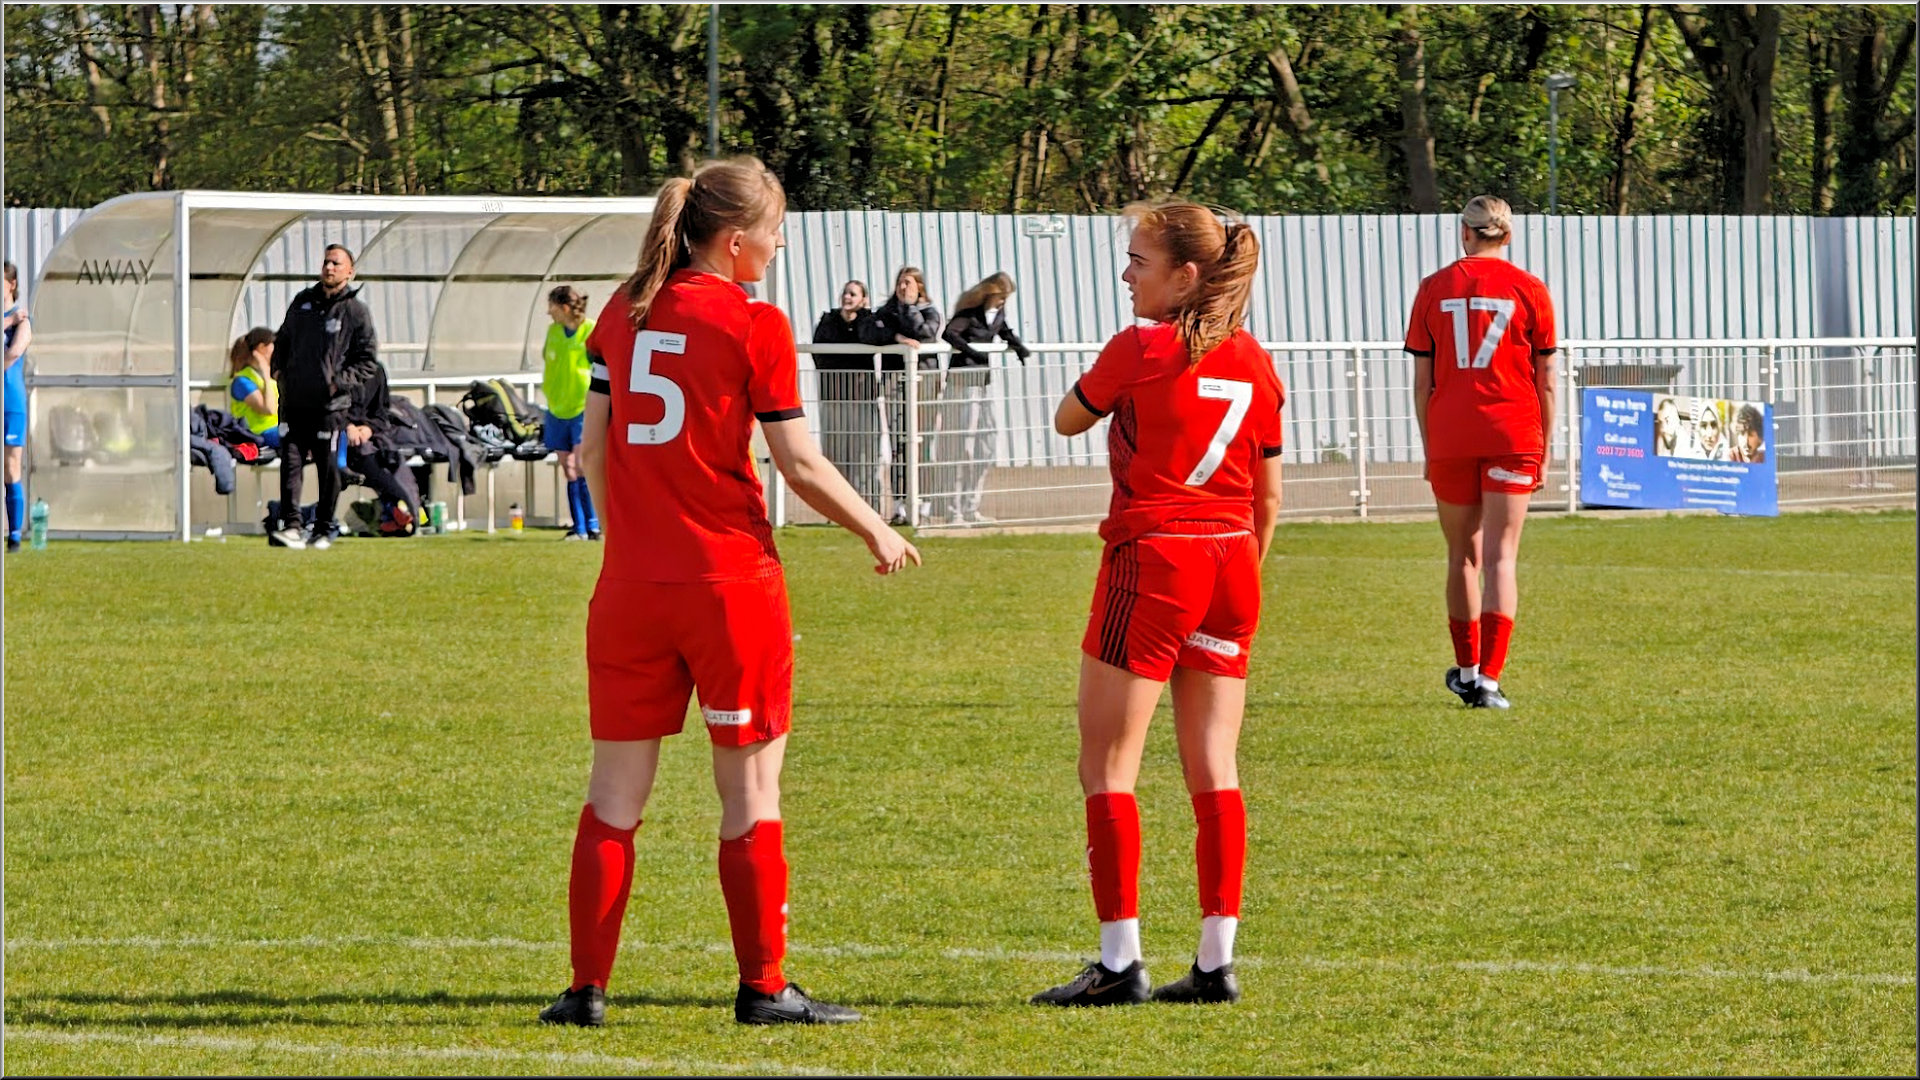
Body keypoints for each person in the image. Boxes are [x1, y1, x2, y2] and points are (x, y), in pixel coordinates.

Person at [539, 156, 920, 1030]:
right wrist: (876, 528)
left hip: (632, 585)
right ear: (738, 240)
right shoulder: (754, 322)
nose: (779, 247)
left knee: (612, 800)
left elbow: (592, 453)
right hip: (728, 584)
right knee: (750, 796)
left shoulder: (623, 313)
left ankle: (586, 990)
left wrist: (636, 525)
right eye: (776, 232)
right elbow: (798, 462)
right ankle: (764, 986)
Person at [1036, 201, 1284, 1009]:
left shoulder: (1143, 345)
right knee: (1215, 766)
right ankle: (1216, 960)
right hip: (1231, 561)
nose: (1125, 274)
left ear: (1186, 275)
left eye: (1139, 261)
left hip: (1155, 559)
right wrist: (1237, 573)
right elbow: (1269, 499)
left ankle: (1119, 961)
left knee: (1107, 765)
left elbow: (1069, 419)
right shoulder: (1256, 360)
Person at [1405, 195, 1558, 711]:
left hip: (1451, 433)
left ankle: (1467, 672)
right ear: (1507, 236)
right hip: (1514, 431)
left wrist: (1431, 447)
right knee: (1501, 557)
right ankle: (1490, 679)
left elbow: (1422, 382)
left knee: (1462, 556)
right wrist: (1545, 449)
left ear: (1463, 234)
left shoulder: (1433, 288)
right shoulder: (1531, 289)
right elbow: (1547, 380)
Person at [268, 243, 380, 550]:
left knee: (327, 467)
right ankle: (291, 526)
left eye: (336, 263)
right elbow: (283, 340)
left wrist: (338, 383)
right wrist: (279, 372)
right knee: (289, 463)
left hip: (330, 407)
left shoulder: (355, 311)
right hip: (293, 404)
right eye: (326, 262)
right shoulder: (303, 302)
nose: (329, 268)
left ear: (349, 271)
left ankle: (323, 526)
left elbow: (367, 360)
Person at [937, 271, 1032, 524]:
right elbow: (950, 334)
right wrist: (972, 351)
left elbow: (1004, 331)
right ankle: (953, 508)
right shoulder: (969, 315)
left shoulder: (997, 315)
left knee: (986, 443)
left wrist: (1018, 347)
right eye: (1000, 297)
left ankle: (971, 506)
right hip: (962, 382)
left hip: (982, 383)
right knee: (962, 446)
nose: (1002, 303)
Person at [870, 266, 943, 524]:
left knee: (922, 441)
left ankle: (923, 502)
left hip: (924, 381)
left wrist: (911, 308)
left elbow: (925, 334)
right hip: (894, 381)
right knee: (899, 443)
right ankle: (900, 504)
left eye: (909, 283)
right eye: (900, 282)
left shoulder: (930, 312)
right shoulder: (887, 311)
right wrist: (896, 337)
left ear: (919, 286)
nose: (903, 288)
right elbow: (871, 333)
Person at [811, 280, 886, 512]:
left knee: (865, 451)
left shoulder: (868, 321)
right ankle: (837, 507)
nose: (847, 297)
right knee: (835, 451)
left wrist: (863, 316)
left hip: (862, 396)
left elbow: (870, 340)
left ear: (863, 299)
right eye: (845, 292)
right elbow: (820, 354)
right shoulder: (828, 321)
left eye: (853, 294)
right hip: (834, 396)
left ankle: (868, 505)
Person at [542, 285, 600, 540]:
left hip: (582, 408)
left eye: (552, 307)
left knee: (580, 466)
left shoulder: (590, 330)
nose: (548, 312)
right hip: (556, 409)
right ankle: (578, 528)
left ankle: (592, 524)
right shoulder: (553, 332)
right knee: (568, 468)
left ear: (564, 307)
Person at [340, 357, 417, 536]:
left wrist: (368, 429)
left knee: (390, 459)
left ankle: (401, 511)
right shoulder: (333, 369)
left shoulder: (376, 370)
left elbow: (382, 413)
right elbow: (325, 408)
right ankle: (399, 507)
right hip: (340, 439)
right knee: (367, 457)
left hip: (372, 437)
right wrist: (347, 426)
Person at [3, 262, 32, 553]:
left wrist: (12, 323)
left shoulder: (23, 320)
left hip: (10, 402)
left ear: (11, 284)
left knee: (11, 468)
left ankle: (14, 536)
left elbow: (13, 353)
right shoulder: (10, 321)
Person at [227, 327, 280, 450]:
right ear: (262, 348)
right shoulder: (243, 381)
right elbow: (268, 409)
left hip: (278, 428)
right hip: (259, 433)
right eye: (273, 345)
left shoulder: (270, 376)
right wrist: (266, 375)